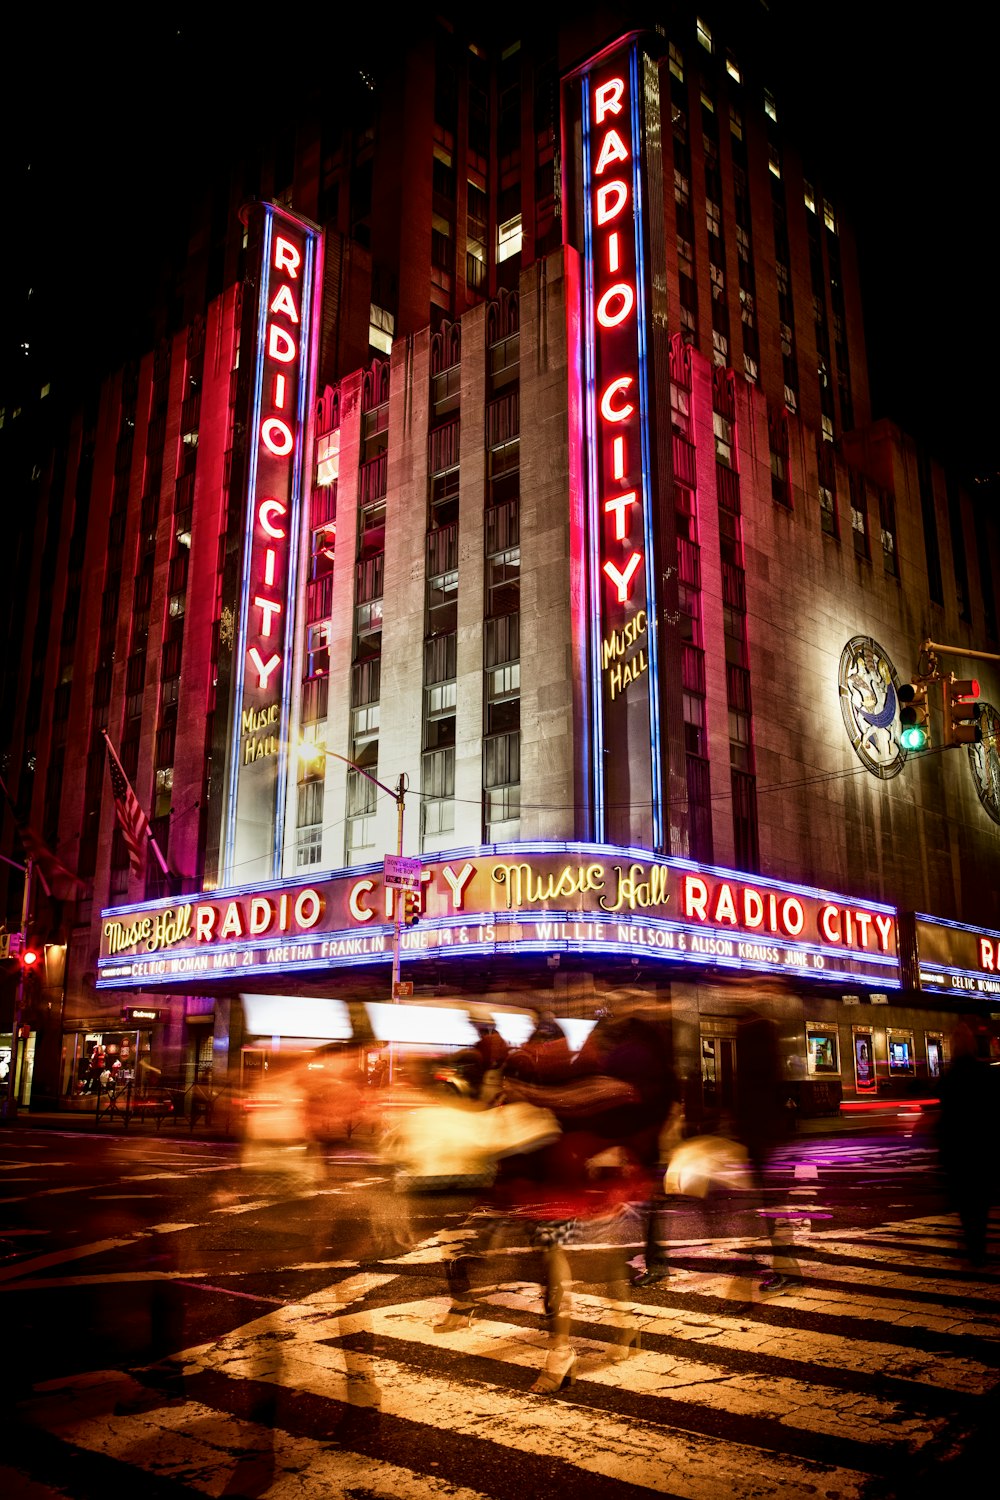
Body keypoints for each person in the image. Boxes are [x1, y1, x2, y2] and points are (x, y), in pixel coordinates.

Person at [499, 1001, 674, 1391]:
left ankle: (562, 1352)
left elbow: (592, 1101)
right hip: (569, 1176)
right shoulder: (585, 1061)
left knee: (566, 1262)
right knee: (592, 1261)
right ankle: (622, 1328)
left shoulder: (595, 1066)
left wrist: (532, 1094)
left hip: (580, 1176)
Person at [734, 1009, 800, 1293]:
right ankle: (786, 1268)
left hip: (765, 1144)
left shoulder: (756, 1070)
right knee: (775, 1208)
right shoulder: (770, 1065)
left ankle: (787, 1270)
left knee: (775, 1209)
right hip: (770, 1142)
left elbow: (754, 1104)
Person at [938, 1022, 999, 1266]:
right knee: (981, 1201)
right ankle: (979, 1243)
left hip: (958, 1150)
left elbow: (945, 1117)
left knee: (966, 1203)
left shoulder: (950, 1077)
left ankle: (973, 1245)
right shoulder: (985, 1074)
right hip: (982, 1147)